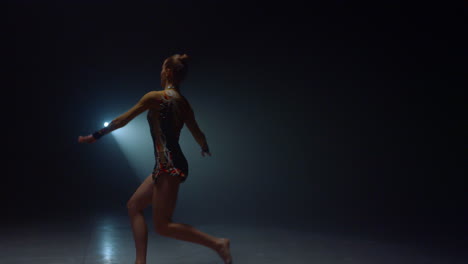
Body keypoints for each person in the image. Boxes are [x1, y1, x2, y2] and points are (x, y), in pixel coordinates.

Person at [78, 54, 232, 264]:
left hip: (168, 164)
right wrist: (204, 147)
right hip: (168, 163)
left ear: (168, 72)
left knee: (163, 225)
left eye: (162, 69)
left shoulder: (155, 97)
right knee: (134, 206)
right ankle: (140, 262)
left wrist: (95, 136)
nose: (160, 73)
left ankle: (217, 243)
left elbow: (122, 120)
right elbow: (198, 133)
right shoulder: (184, 103)